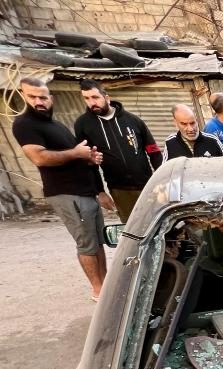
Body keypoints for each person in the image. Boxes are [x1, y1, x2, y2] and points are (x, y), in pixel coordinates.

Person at [12, 76, 107, 301]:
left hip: (84, 192)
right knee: (86, 244)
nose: (39, 102)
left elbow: (73, 155)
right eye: (33, 97)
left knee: (97, 241)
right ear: (23, 97)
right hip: (68, 194)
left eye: (43, 97)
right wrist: (76, 153)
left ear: (51, 98)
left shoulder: (55, 125)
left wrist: (88, 158)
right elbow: (40, 157)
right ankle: (98, 290)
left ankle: (106, 284)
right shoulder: (25, 124)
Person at [74, 79, 162, 224]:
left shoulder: (132, 120)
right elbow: (89, 163)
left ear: (106, 98)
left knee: (157, 223)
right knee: (131, 228)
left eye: (95, 97)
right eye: (87, 98)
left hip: (147, 185)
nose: (92, 102)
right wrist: (100, 192)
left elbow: (154, 151)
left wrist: (162, 181)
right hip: (119, 190)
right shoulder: (83, 125)